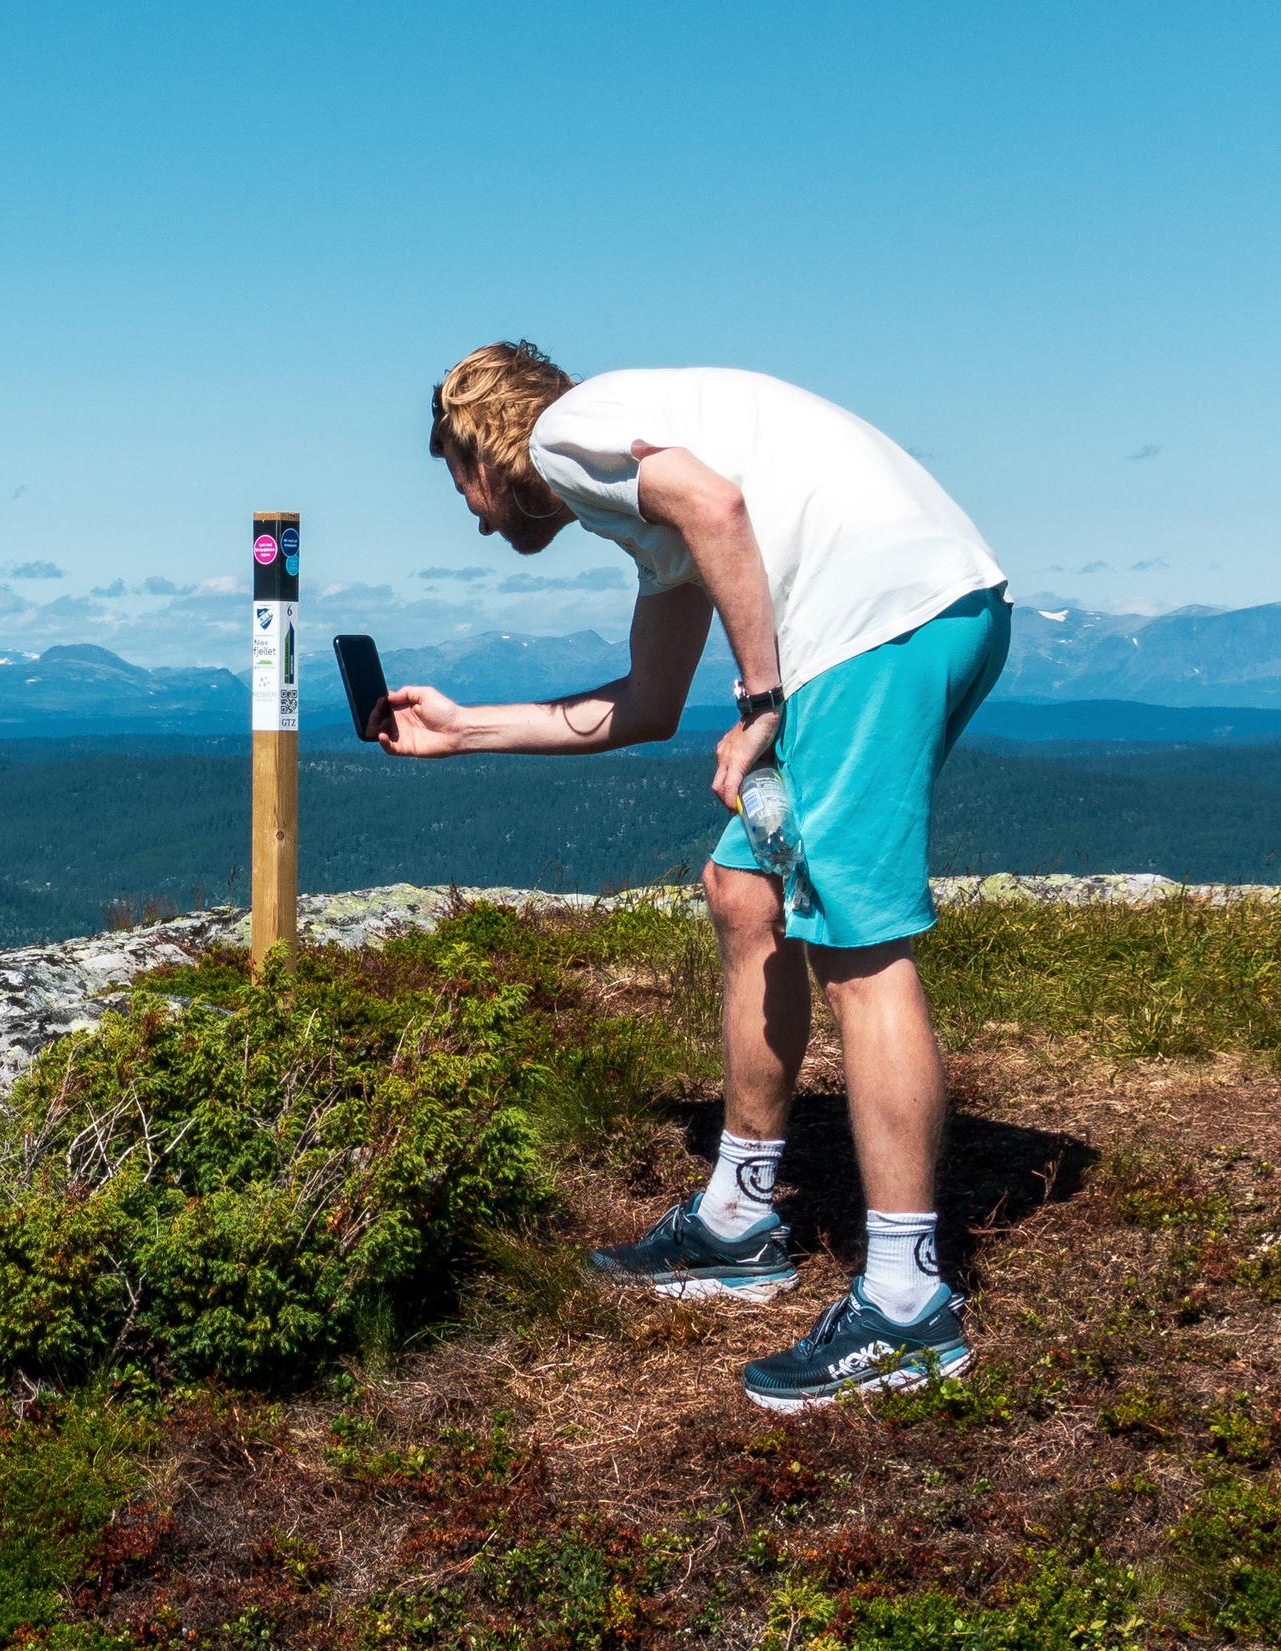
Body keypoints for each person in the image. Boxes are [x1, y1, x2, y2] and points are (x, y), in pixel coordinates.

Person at [377, 342, 1011, 1411]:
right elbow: (649, 703)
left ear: (488, 440)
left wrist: (763, 699)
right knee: (746, 892)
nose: (476, 516)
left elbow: (714, 504)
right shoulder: (636, 477)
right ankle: (739, 1218)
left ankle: (908, 1305)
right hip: (920, 607)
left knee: (858, 947)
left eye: (459, 479)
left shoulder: (564, 437)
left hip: (873, 627)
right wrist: (464, 730)